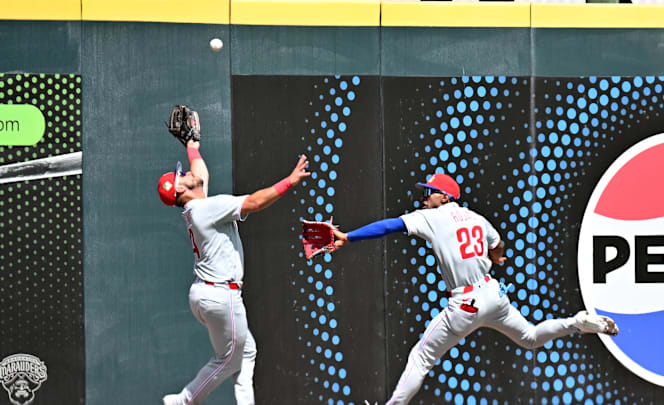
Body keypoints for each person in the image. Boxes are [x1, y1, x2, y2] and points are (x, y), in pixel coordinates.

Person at [332, 173, 619, 405]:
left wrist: (348, 237)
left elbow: (389, 226)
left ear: (445, 197)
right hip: (494, 295)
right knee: (530, 337)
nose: (424, 198)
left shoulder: (432, 217)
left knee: (421, 358)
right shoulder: (477, 218)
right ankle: (577, 323)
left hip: (465, 303)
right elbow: (498, 244)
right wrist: (496, 255)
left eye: (429, 192)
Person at [158, 140, 310, 405]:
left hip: (206, 293)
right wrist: (289, 181)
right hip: (220, 295)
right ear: (180, 188)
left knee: (246, 351)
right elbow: (254, 202)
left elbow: (201, 174)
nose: (188, 173)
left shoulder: (198, 207)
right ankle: (184, 400)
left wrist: (192, 146)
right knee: (227, 360)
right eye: (181, 175)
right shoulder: (206, 208)